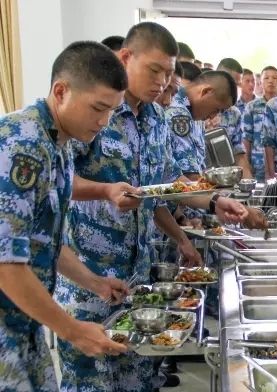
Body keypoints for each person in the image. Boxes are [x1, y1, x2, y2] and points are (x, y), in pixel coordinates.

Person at [55, 22, 248, 392]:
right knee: (91, 380)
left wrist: (213, 201)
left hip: (139, 278)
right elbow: (59, 183)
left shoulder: (157, 120)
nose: (163, 81)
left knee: (140, 378)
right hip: (89, 275)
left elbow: (161, 191)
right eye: (154, 69)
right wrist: (105, 191)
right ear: (126, 57)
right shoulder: (92, 112)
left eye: (170, 73)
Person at [0, 41, 130, 391]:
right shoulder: (22, 145)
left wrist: (94, 282)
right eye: (98, 108)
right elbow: (4, 262)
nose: (104, 122)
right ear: (61, 91)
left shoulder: (58, 144)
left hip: (24, 321)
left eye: (112, 112)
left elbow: (45, 241)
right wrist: (73, 331)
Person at [167, 70, 237, 180]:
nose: (212, 117)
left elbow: (199, 166)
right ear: (206, 92)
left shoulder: (195, 115)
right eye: (216, 110)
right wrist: (215, 196)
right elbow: (190, 176)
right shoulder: (179, 114)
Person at [241, 66, 277, 181]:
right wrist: (246, 163)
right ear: (260, 82)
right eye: (266, 78)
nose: (270, 81)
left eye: (274, 78)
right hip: (258, 165)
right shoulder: (252, 106)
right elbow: (246, 138)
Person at [216, 59, 253, 178]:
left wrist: (249, 186)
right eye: (230, 83)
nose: (234, 89)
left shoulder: (234, 113)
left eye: (237, 85)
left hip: (225, 181)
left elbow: (239, 154)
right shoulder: (198, 108)